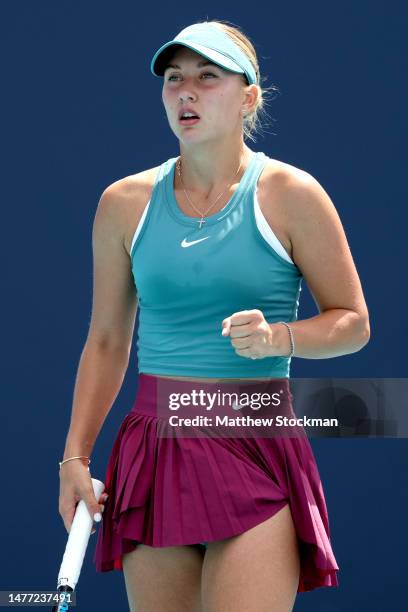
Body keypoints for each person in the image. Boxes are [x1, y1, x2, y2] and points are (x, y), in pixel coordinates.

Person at [58, 19, 370, 612]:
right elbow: (105, 341)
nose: (187, 93)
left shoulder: (293, 194)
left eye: (208, 77)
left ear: (249, 96)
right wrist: (74, 456)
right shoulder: (122, 204)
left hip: (253, 441)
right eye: (174, 80)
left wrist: (281, 337)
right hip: (153, 450)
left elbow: (352, 321)